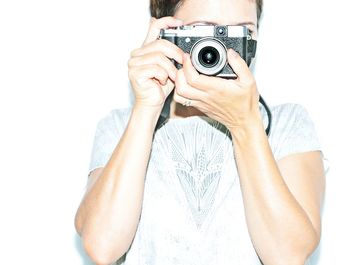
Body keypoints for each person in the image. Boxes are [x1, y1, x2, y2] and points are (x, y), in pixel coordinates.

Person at [74, 0, 327, 264]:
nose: (221, 50)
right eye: (204, 30)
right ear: (166, 34)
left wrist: (245, 125)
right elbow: (102, 246)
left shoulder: (287, 124)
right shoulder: (121, 128)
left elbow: (288, 255)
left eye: (240, 31)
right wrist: (146, 108)